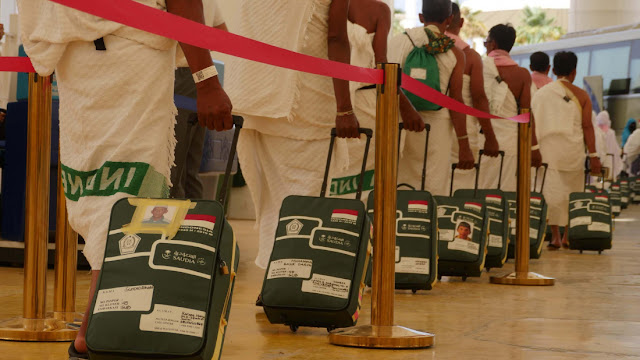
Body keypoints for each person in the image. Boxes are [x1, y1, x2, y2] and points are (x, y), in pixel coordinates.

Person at [18, 1, 233, 358]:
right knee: (132, 190)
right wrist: (206, 79)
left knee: (96, 186)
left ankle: (108, 318)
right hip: (132, 47)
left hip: (74, 51)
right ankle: (97, 326)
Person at [226, 0, 359, 269]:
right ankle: (297, 277)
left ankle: (276, 276)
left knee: (274, 198)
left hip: (261, 100)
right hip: (309, 100)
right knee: (308, 195)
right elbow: (335, 37)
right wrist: (344, 108)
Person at [389, 0, 475, 197]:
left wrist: (406, 109)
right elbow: (456, 102)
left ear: (421, 17)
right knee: (433, 188)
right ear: (450, 19)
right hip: (437, 133)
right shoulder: (455, 53)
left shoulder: (399, 41)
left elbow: (386, 80)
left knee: (399, 184)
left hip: (401, 125)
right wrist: (463, 144)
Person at [532, 51, 601, 250]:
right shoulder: (582, 95)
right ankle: (568, 235)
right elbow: (587, 126)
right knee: (573, 191)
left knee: (551, 191)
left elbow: (533, 121)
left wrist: (534, 148)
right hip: (572, 150)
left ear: (553, 70)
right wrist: (594, 156)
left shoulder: (541, 93)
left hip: (548, 150)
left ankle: (554, 236)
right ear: (574, 71)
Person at [328, 0, 391, 198]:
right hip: (367, 99)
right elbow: (381, 64)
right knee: (366, 172)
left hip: (331, 93)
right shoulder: (379, 10)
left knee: (332, 168)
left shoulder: (325, 4)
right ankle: (358, 221)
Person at [171, 0, 228, 199]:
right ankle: (197, 224)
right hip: (200, 79)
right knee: (190, 169)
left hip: (179, 75)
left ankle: (177, 226)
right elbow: (223, 35)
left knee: (173, 168)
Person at [481, 24, 542, 191]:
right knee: (506, 194)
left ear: (493, 44)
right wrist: (534, 148)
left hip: (484, 140)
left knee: (482, 193)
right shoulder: (521, 74)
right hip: (511, 143)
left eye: (486, 42)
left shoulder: (479, 67)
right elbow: (526, 114)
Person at [445, 3, 499, 191]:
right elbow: (478, 98)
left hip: (426, 128)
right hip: (462, 133)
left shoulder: (421, 50)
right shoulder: (470, 57)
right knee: (460, 188)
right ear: (459, 22)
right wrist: (490, 137)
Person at [596, 110, 623, 180]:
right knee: (608, 177)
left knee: (599, 178)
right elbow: (615, 147)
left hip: (600, 157)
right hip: (610, 158)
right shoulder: (611, 132)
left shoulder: (597, 132)